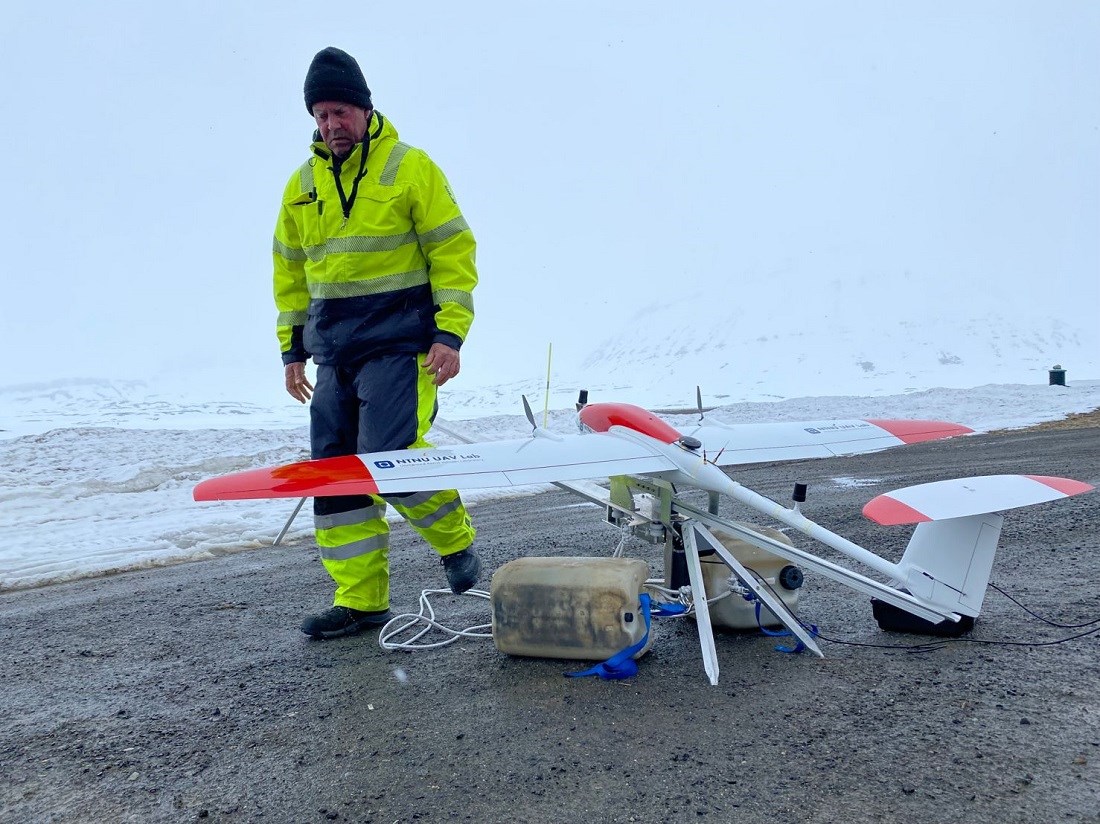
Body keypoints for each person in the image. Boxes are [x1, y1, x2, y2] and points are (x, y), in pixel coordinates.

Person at [273, 46, 480, 639]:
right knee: (335, 475)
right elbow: (289, 273)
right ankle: (361, 602)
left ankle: (456, 541)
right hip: (335, 354)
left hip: (400, 345)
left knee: (389, 457)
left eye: (340, 111)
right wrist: (292, 350)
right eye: (320, 115)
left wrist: (450, 333)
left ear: (365, 109)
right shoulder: (300, 186)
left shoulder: (412, 169)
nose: (331, 125)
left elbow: (453, 253)